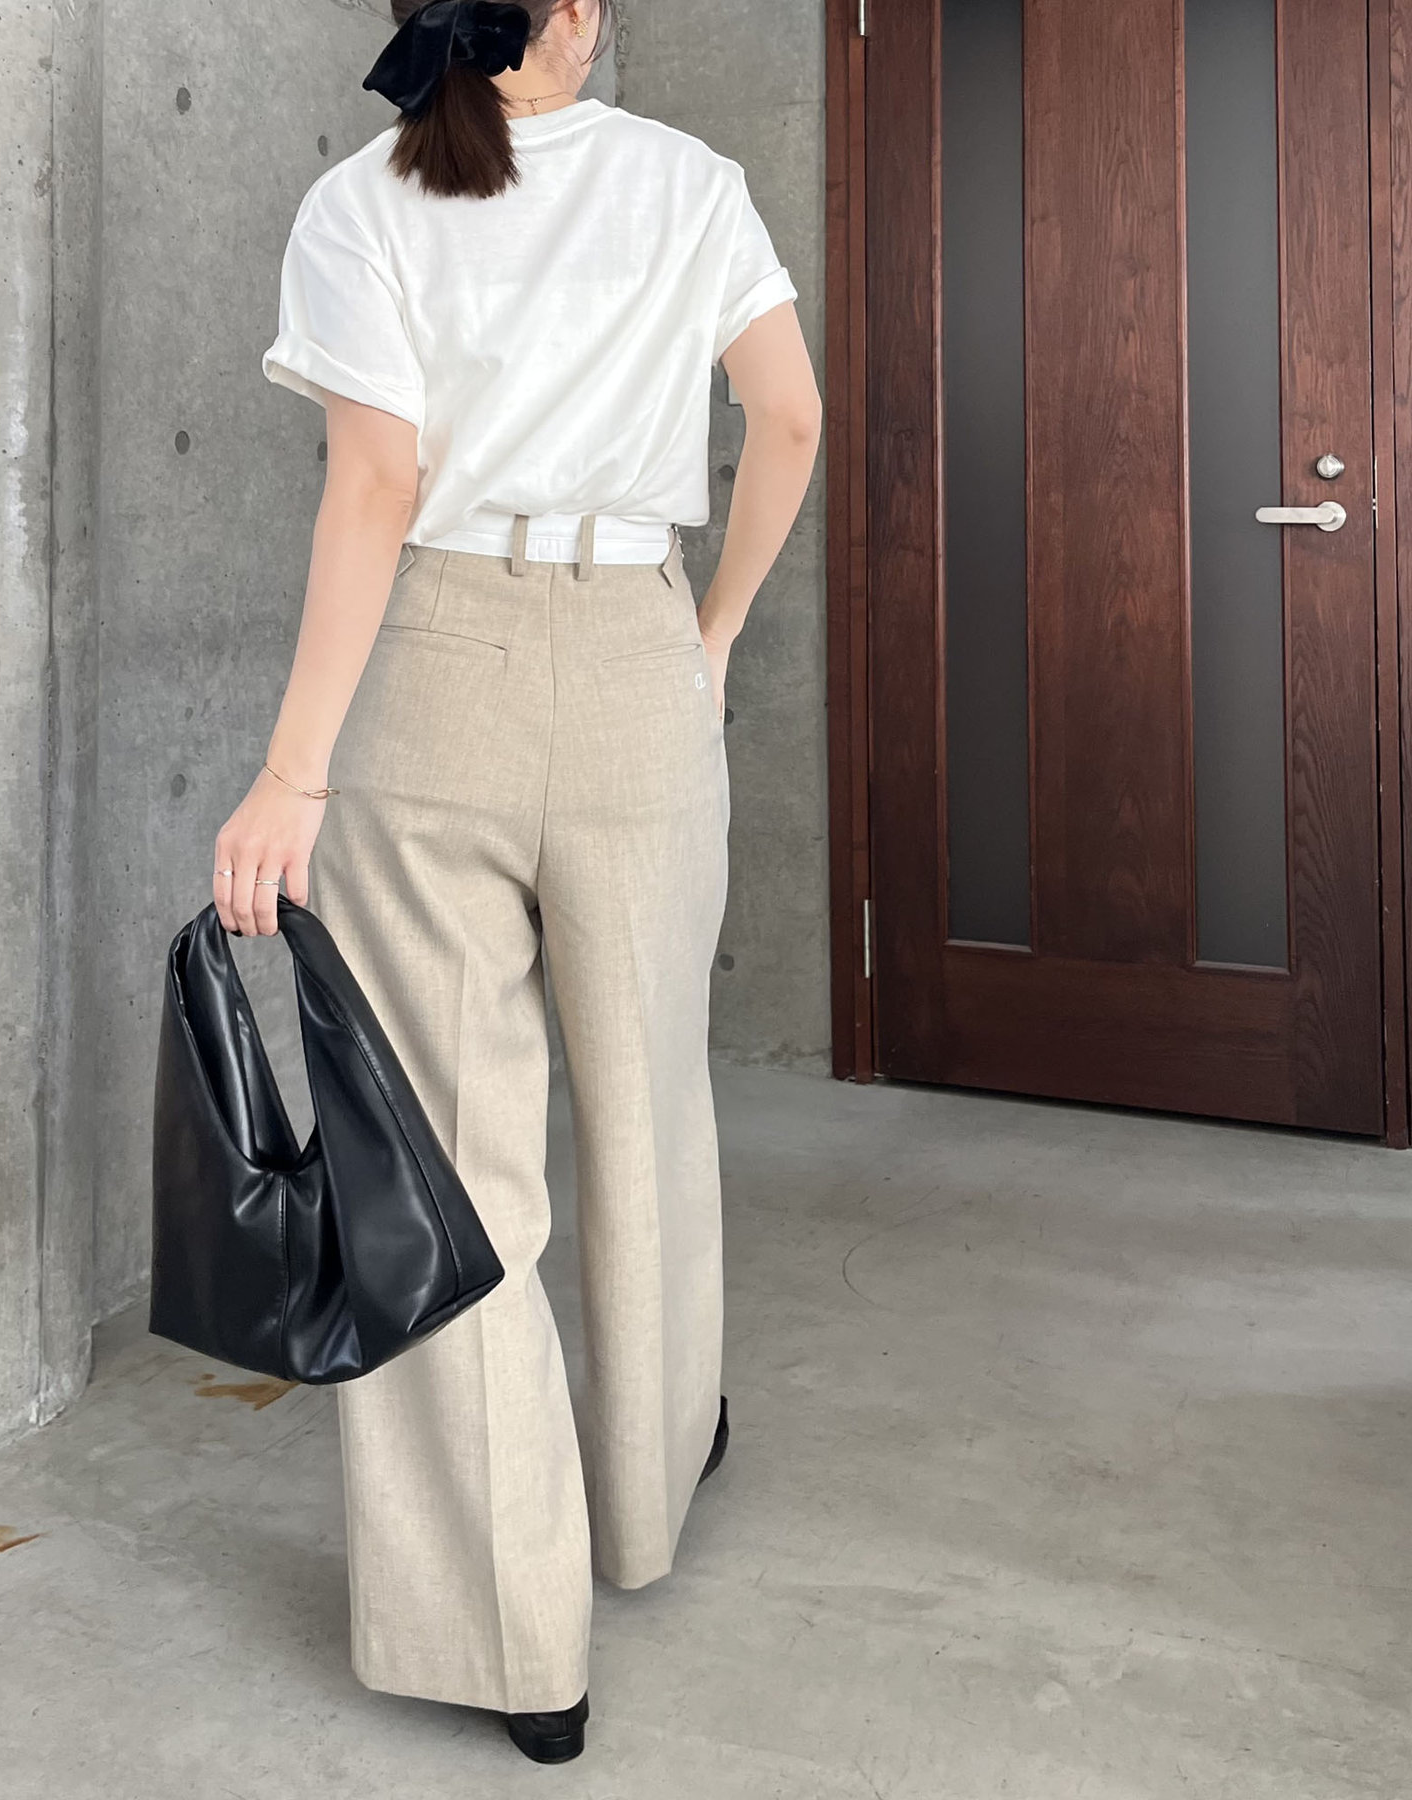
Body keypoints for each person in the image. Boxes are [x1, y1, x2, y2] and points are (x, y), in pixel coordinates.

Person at [213, 0, 821, 1765]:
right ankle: (646, 1489)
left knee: (442, 1158)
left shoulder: (359, 200)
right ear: (575, 19)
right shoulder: (690, 181)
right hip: (635, 652)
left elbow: (375, 487)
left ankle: (513, 1641)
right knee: (650, 1106)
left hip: (436, 676)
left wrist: (293, 768)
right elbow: (787, 422)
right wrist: (709, 634)